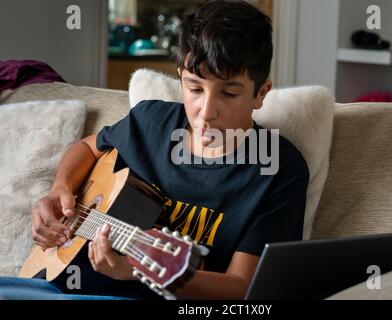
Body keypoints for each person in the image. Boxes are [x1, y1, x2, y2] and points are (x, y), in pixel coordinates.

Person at [0, 0, 309, 300]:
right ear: (181, 77)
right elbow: (87, 147)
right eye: (195, 88)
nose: (206, 111)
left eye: (228, 93)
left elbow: (241, 287)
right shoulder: (150, 121)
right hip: (54, 282)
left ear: (261, 93)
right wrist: (60, 189)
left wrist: (137, 271)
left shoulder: (277, 169)